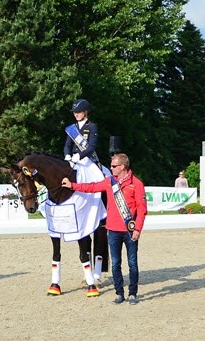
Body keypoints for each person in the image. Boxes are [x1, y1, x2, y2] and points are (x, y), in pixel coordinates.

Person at [62, 153, 147, 305]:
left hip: (130, 231)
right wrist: (73, 185)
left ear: (122, 167)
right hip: (113, 230)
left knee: (132, 263)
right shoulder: (109, 182)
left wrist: (138, 229)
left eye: (114, 166)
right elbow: (92, 187)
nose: (111, 168)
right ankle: (119, 293)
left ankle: (133, 293)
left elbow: (142, 209)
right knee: (116, 263)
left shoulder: (137, 183)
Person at [63, 99, 100, 166]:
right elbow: (67, 145)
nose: (76, 115)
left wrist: (80, 155)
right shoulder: (72, 128)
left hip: (87, 159)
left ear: (85, 112)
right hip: (73, 159)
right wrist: (67, 154)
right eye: (74, 112)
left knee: (99, 175)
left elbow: (92, 147)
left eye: (78, 112)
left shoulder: (92, 126)